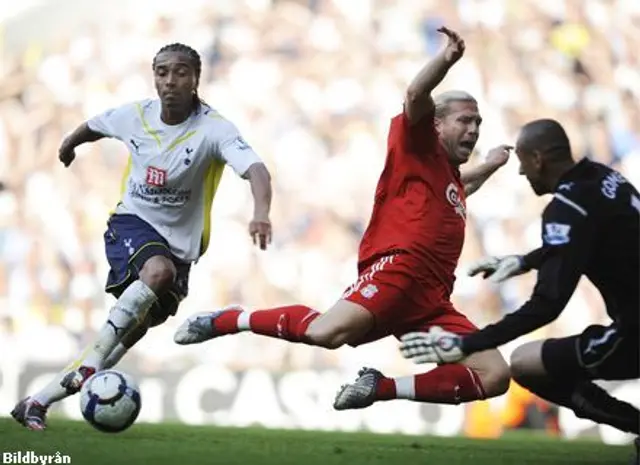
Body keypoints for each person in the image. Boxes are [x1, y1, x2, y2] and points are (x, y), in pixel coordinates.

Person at [174, 27, 512, 411]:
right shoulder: (418, 147)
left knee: (495, 374)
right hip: (398, 271)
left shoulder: (446, 178)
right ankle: (231, 319)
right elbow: (416, 96)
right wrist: (446, 58)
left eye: (478, 124)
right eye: (465, 120)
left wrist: (489, 166)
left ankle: (380, 387)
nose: (473, 130)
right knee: (325, 332)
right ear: (436, 125)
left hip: (433, 299)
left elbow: (460, 188)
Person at [11, 43, 273, 431]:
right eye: (163, 72)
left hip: (182, 249)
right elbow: (94, 126)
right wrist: (68, 145)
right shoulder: (135, 115)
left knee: (124, 340)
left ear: (196, 78)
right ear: (154, 76)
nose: (171, 81)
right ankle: (86, 366)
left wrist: (261, 213)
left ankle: (37, 401)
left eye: (181, 72)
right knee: (157, 273)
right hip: (132, 224)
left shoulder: (214, 130)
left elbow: (257, 170)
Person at [399, 118, 640, 441]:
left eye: (523, 162)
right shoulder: (604, 177)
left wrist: (466, 344)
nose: (521, 173)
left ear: (538, 159)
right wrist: (526, 260)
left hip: (636, 332)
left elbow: (547, 305)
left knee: (525, 364)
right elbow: (598, 237)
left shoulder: (565, 208)